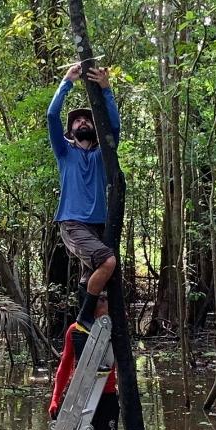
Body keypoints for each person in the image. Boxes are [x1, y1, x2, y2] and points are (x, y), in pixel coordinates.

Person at [47, 63, 121, 357]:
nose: (80, 124)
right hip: (73, 222)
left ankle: (85, 336)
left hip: (99, 226)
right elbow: (52, 115)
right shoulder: (65, 152)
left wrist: (106, 89)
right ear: (70, 130)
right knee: (108, 262)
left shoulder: (104, 152)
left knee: (92, 279)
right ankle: (83, 317)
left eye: (85, 120)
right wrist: (66, 81)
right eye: (76, 122)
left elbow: (113, 128)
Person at [49, 296, 119, 430]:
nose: (105, 315)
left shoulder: (117, 331)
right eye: (102, 311)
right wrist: (55, 399)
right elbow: (64, 366)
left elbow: (125, 369)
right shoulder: (75, 331)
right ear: (94, 309)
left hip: (107, 398)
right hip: (79, 395)